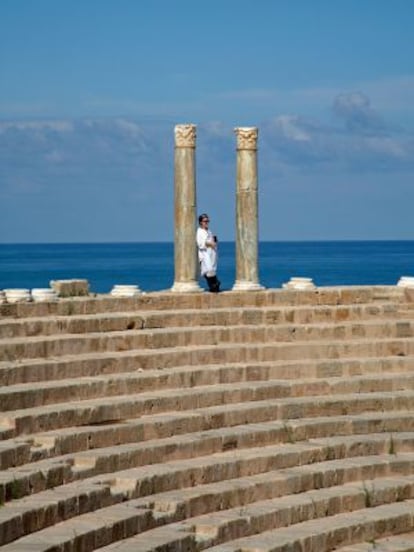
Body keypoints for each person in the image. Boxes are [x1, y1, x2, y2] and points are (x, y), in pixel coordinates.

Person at [196, 213, 221, 292]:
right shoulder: (200, 232)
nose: (206, 222)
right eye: (205, 221)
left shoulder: (209, 231)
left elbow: (212, 242)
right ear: (200, 222)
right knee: (208, 271)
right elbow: (201, 243)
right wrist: (210, 243)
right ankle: (214, 286)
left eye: (207, 221)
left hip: (212, 254)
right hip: (205, 255)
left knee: (212, 271)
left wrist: (214, 241)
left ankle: (214, 287)